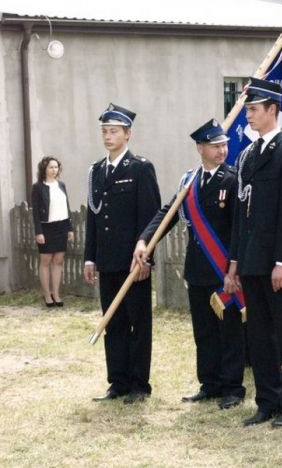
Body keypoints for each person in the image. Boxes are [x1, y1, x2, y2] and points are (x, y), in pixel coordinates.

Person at [134, 119, 246, 410]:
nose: (222, 150)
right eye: (215, 146)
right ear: (200, 148)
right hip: (198, 267)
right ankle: (209, 383)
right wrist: (146, 240)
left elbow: (238, 228)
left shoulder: (233, 180)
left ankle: (232, 387)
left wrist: (235, 266)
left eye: (224, 145)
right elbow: (167, 214)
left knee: (229, 330)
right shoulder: (190, 182)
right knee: (204, 330)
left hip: (223, 269)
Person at [224, 78, 282, 427]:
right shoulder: (247, 155)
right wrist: (234, 263)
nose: (249, 115)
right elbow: (240, 216)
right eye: (247, 109)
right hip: (253, 260)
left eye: (254, 109)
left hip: (278, 262)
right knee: (259, 336)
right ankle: (268, 400)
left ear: (273, 110)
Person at [84, 103, 161, 404]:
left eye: (113, 131)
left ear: (127, 134)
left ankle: (139, 384)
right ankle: (117, 381)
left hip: (134, 262)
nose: (107, 136)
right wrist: (91, 257)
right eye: (104, 131)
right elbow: (93, 217)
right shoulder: (96, 171)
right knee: (112, 322)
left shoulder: (140, 168)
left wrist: (147, 258)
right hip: (107, 260)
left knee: (138, 323)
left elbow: (151, 218)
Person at [31, 156, 74, 307]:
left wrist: (70, 228)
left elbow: (66, 207)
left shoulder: (61, 185)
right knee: (45, 261)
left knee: (58, 261)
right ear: (44, 169)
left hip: (61, 226)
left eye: (56, 167)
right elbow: (35, 212)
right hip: (46, 227)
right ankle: (47, 295)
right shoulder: (38, 187)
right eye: (51, 167)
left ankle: (56, 293)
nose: (54, 170)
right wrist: (38, 232)